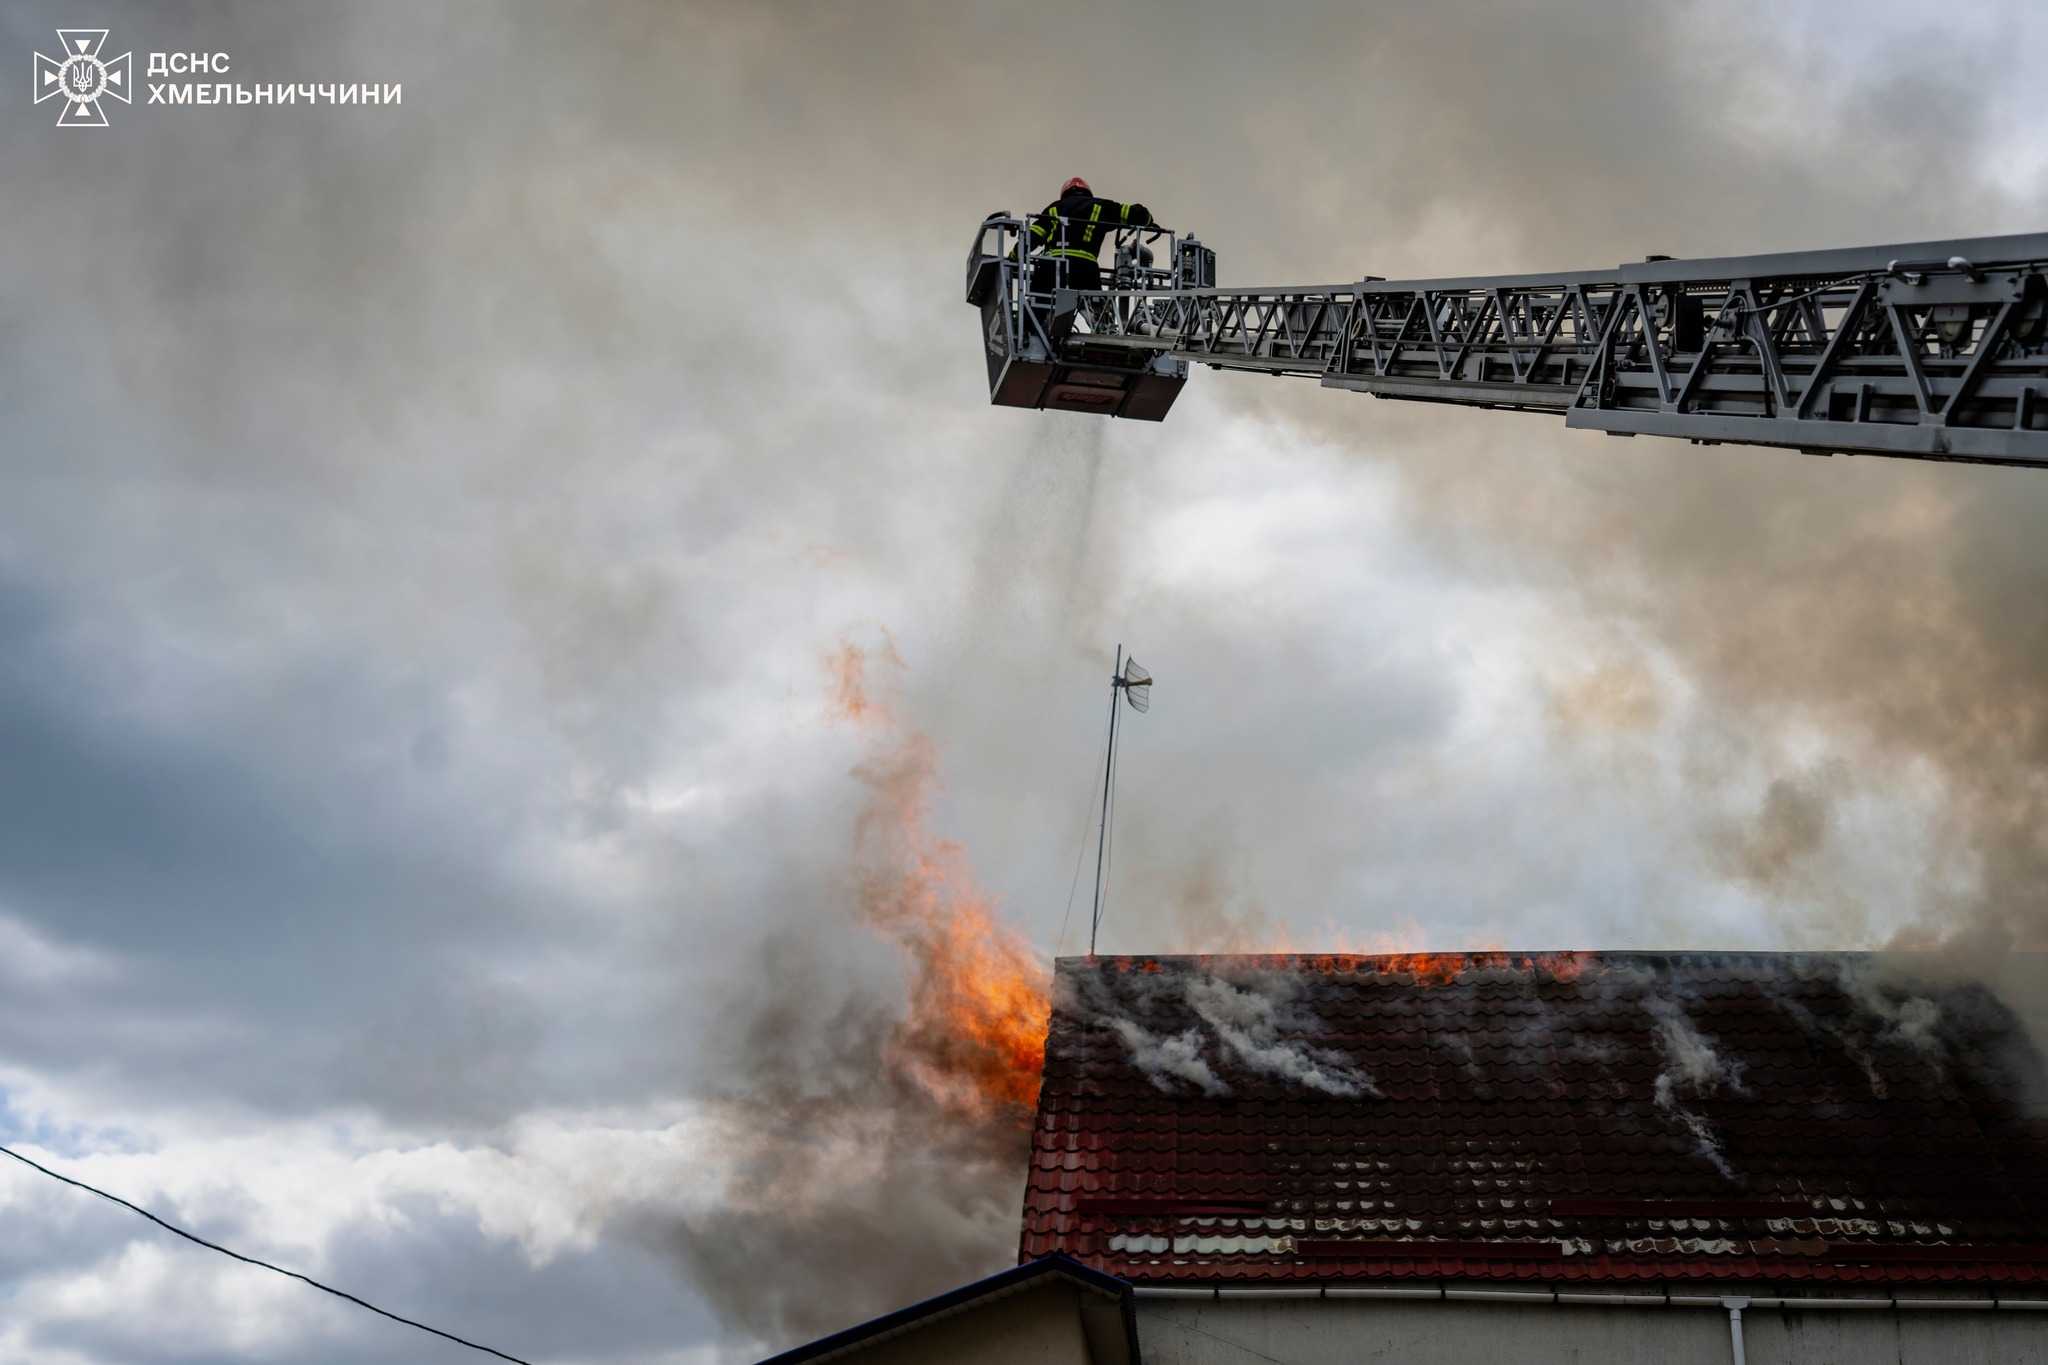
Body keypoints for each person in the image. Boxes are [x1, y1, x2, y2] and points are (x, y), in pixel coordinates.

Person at [1028, 177, 1151, 349]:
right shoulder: (1101, 206)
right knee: (1097, 308)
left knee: (1036, 304)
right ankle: (1108, 333)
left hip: (1054, 267)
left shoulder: (1054, 208)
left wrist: (1013, 256)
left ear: (1065, 193)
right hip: (1086, 269)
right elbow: (1136, 213)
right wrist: (1148, 220)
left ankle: (1024, 333)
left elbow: (1033, 236)